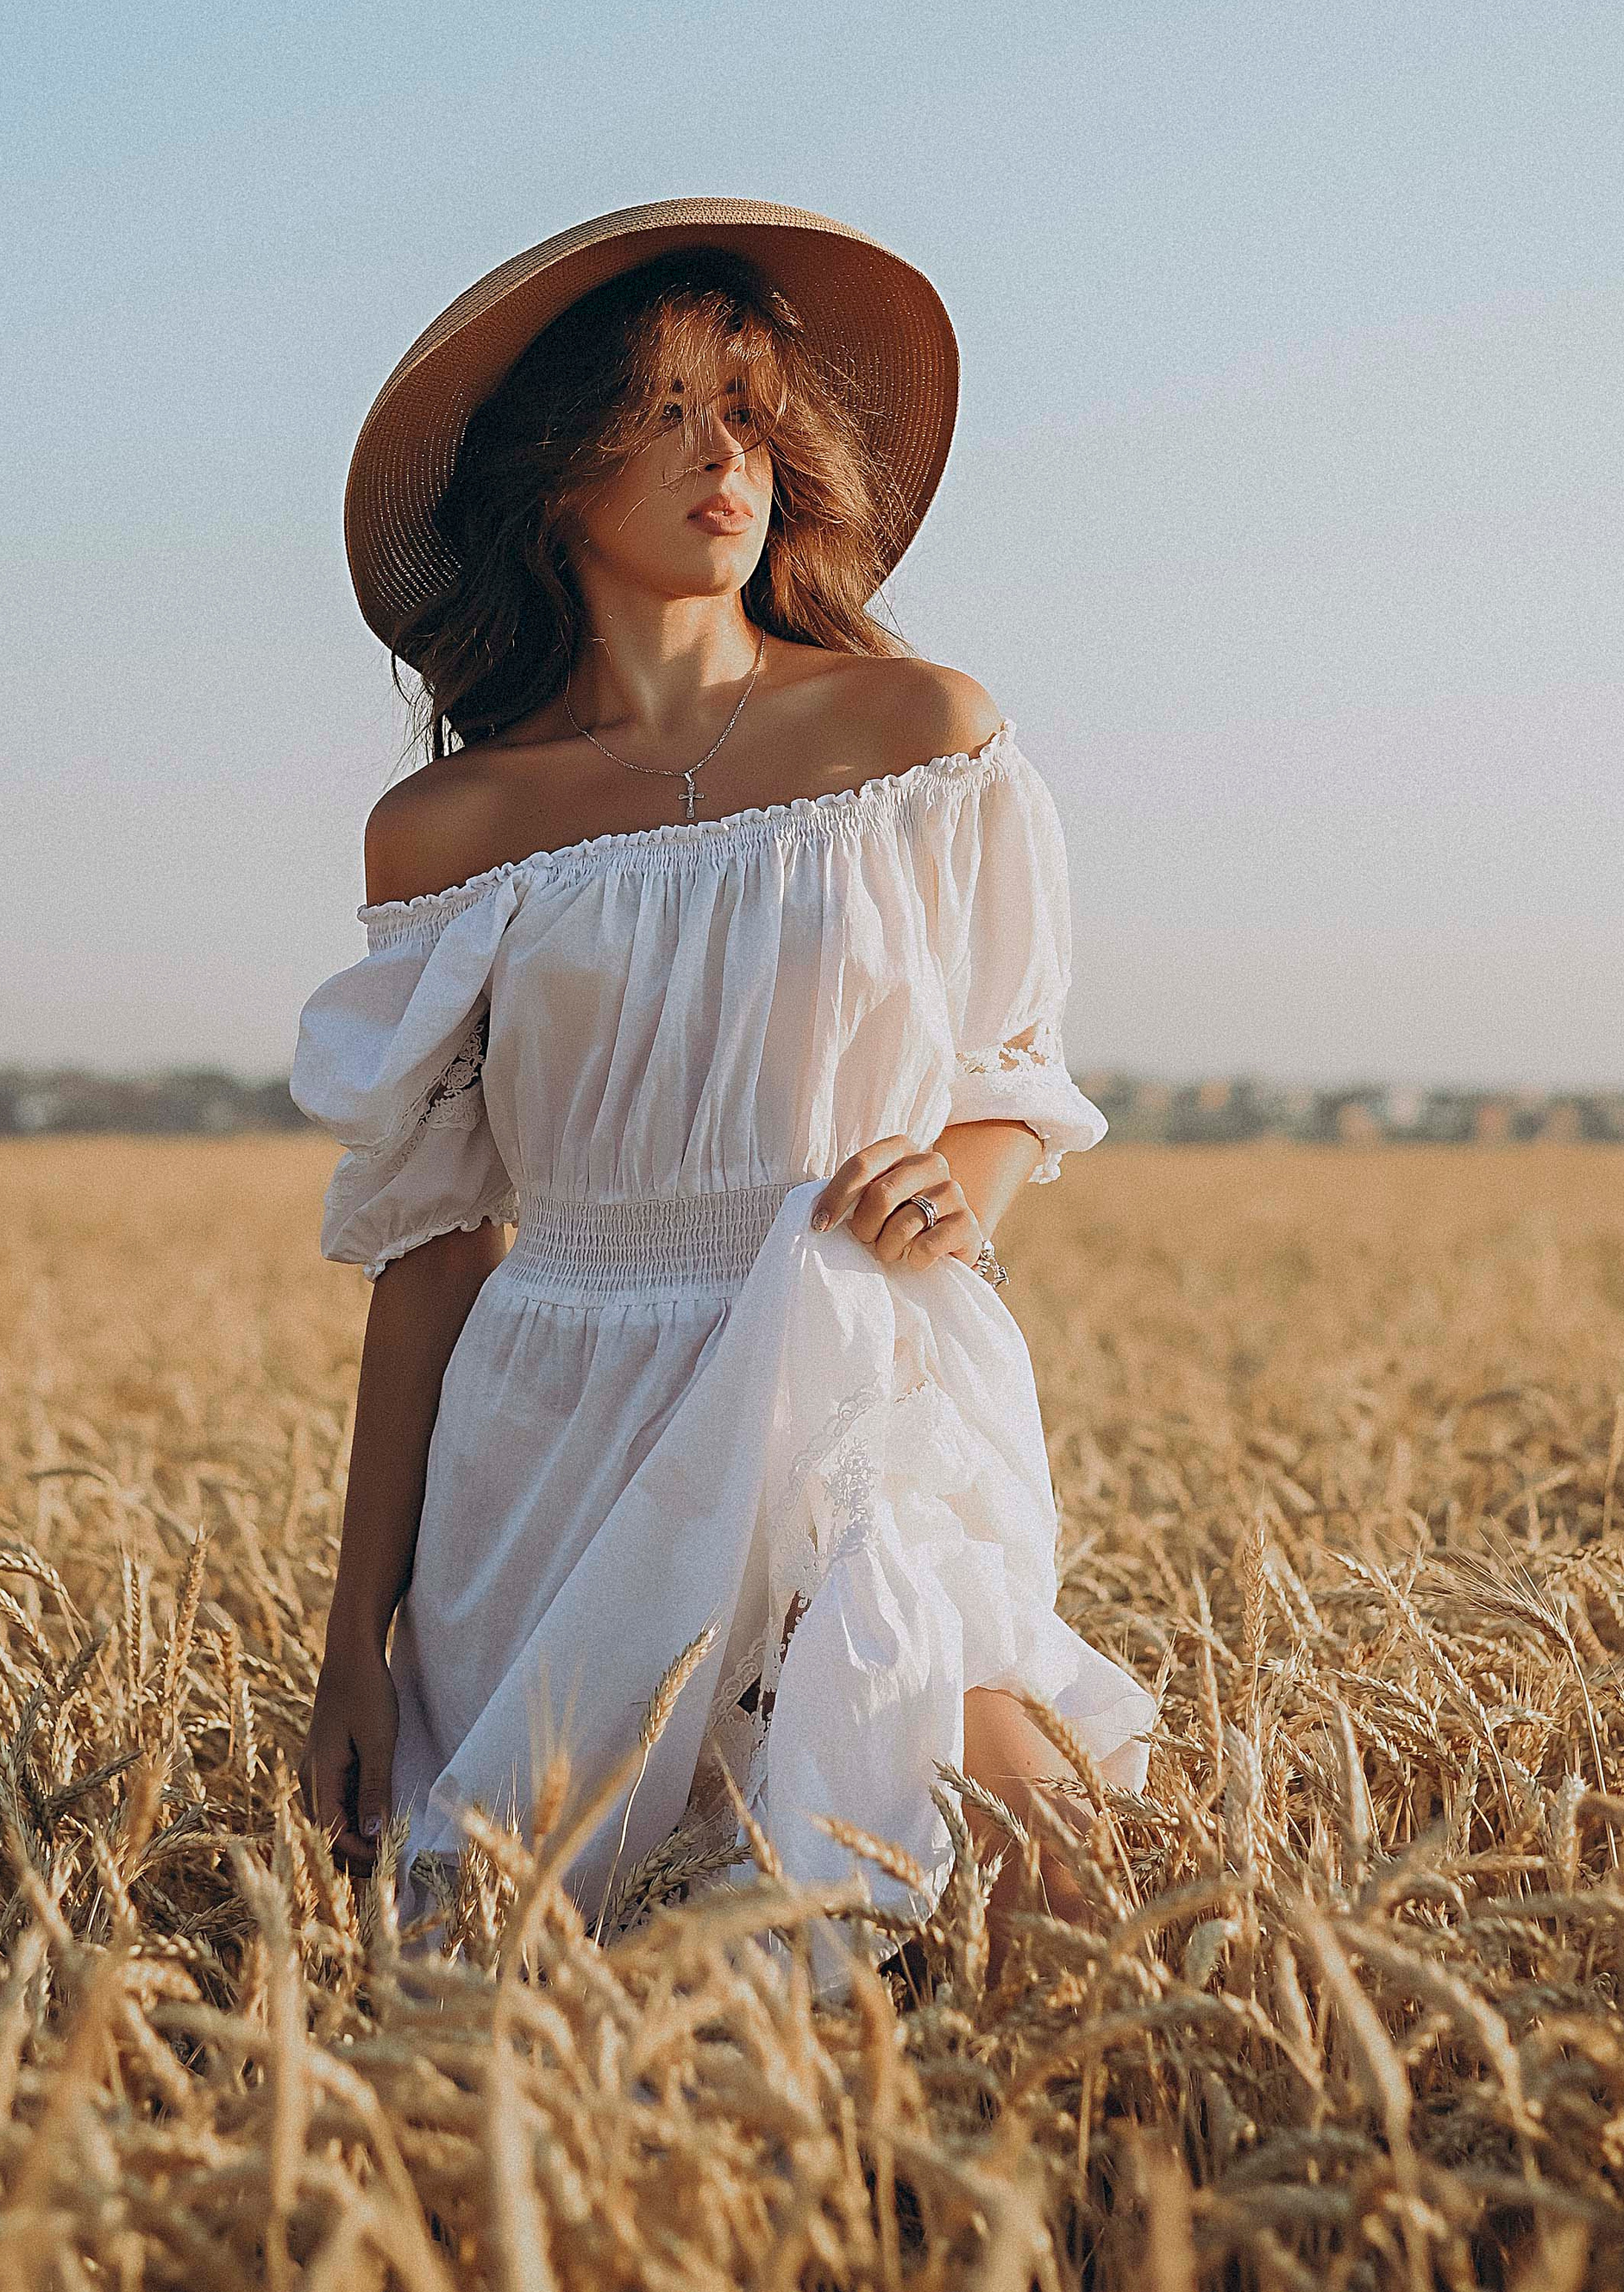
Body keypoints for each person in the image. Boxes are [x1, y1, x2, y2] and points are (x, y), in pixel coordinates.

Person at [292, 198, 1153, 1948]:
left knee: (1048, 1891)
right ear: (555, 477)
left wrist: (953, 1187)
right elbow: (436, 1242)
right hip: (549, 1443)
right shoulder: (449, 833)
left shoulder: (920, 738)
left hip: (853, 1356)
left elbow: (1005, 1071)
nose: (721, 454)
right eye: (666, 409)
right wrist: (349, 1652)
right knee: (564, 1973)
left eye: (748, 408)